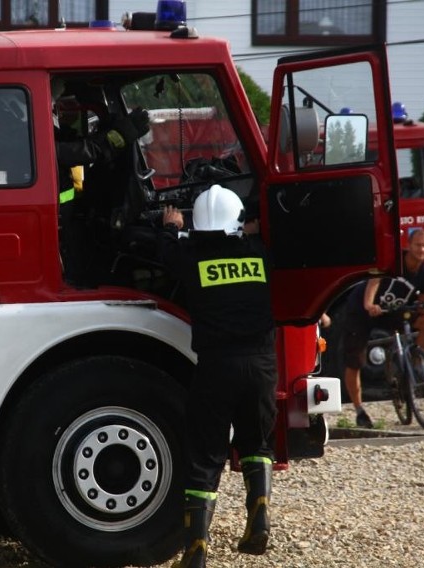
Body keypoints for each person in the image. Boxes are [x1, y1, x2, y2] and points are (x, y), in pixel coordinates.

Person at [159, 185, 277, 565]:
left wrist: (170, 225)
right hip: (260, 364)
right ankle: (258, 512)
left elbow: (164, 250)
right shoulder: (259, 254)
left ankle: (195, 550)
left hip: (216, 367)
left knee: (205, 457)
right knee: (256, 444)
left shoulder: (190, 257)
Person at [52, 77, 149, 283]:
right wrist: (121, 135)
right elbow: (71, 153)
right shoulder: (18, 127)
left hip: (65, 216)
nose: (58, 108)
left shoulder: (28, 124)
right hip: (56, 222)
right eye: (55, 102)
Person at [341, 228, 424, 428]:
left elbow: (423, 305)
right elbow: (374, 282)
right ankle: (359, 410)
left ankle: (416, 365)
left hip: (395, 311)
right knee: (355, 361)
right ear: (409, 245)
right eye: (418, 245)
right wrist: (369, 305)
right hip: (364, 310)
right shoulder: (394, 262)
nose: (421, 249)